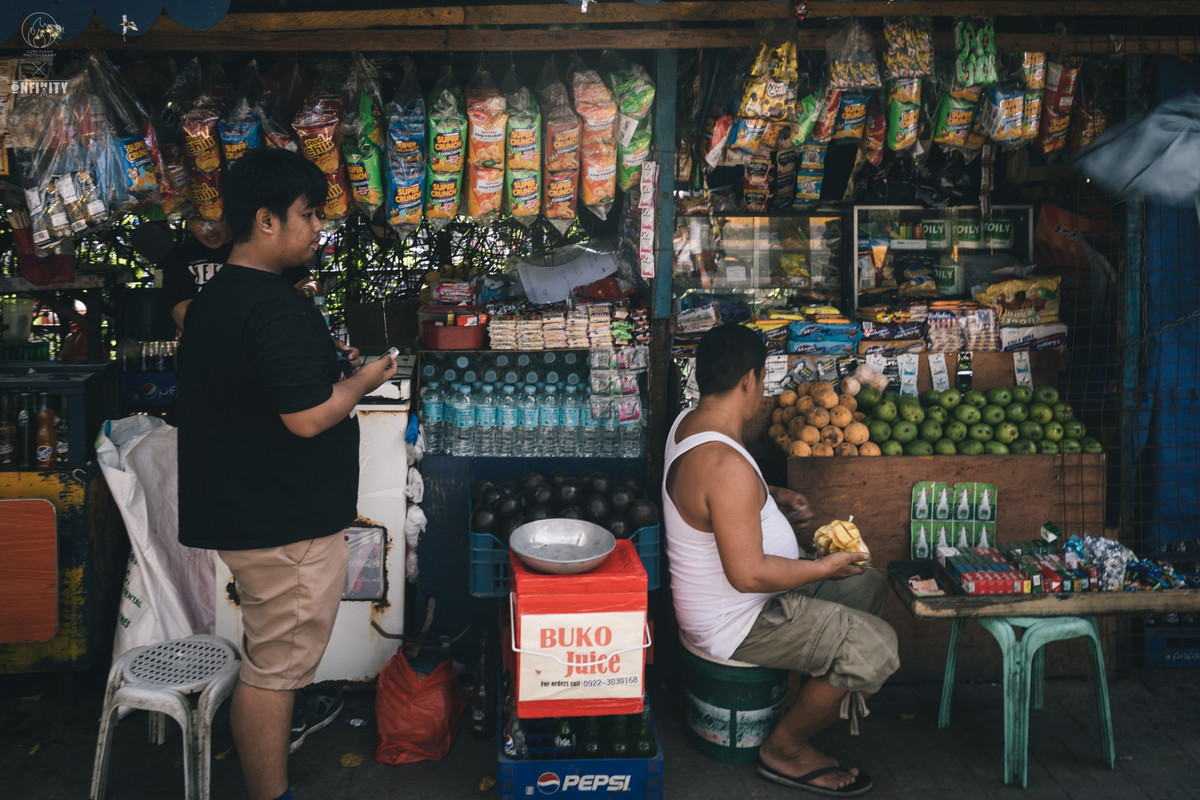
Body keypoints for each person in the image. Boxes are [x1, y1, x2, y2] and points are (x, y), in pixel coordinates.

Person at [177, 148, 398, 800]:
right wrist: (361, 380)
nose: (316, 229)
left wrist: (330, 367)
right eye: (307, 215)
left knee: (269, 660)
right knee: (274, 672)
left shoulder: (219, 296)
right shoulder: (272, 306)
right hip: (283, 528)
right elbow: (306, 418)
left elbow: (264, 389)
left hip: (253, 513)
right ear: (266, 220)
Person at [664, 324, 898, 798]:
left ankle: (800, 697)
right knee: (879, 649)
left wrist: (770, 498)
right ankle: (786, 748)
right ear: (751, 380)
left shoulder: (692, 424)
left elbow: (720, 498)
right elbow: (749, 574)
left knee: (869, 586)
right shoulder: (723, 463)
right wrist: (823, 567)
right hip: (738, 619)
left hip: (744, 600)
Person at [161, 209, 317, 331]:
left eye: (215, 216)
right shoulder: (179, 257)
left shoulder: (259, 246)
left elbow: (310, 285)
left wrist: (298, 300)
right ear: (187, 221)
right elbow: (186, 318)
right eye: (196, 218)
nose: (207, 227)